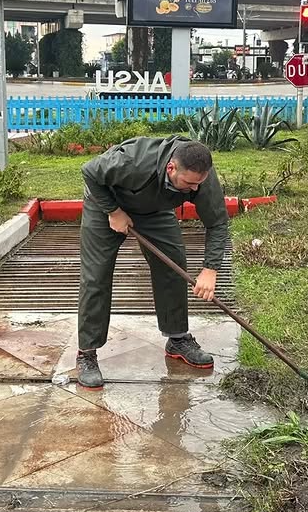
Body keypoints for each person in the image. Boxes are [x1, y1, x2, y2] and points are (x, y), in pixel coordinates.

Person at [77, 136, 229, 390]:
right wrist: (114, 212)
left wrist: (210, 269)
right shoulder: (132, 162)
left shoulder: (201, 177)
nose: (194, 190)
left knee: (172, 266)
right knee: (96, 275)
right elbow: (90, 171)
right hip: (106, 203)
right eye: (189, 183)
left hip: (155, 209)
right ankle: (87, 353)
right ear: (171, 168)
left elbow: (217, 223)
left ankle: (178, 339)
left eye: (198, 184)